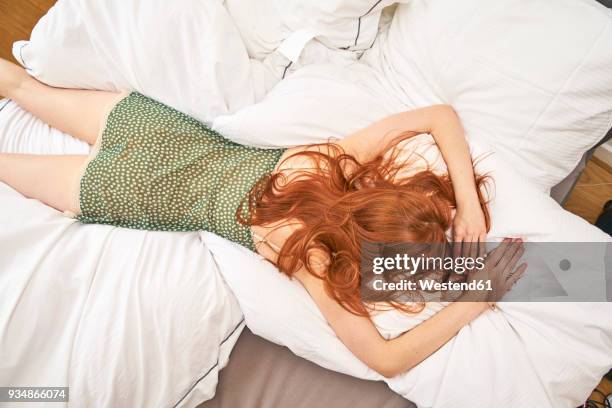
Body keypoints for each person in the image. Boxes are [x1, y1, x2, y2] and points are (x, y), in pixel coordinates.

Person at [0, 58, 525, 378]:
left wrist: (468, 200)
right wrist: (477, 298)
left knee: (24, 89)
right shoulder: (313, 258)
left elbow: (438, 118)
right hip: (134, 190)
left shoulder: (325, 161)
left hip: (156, 131)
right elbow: (386, 359)